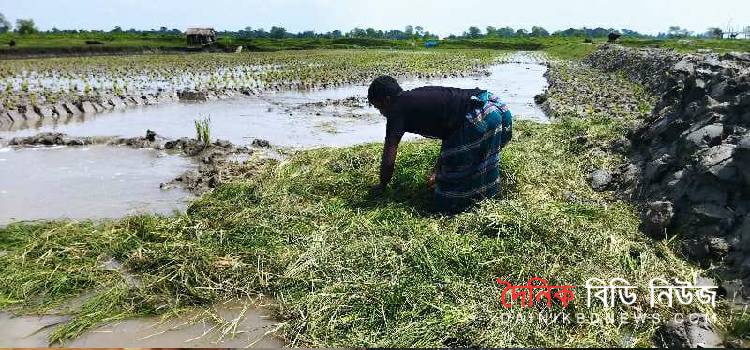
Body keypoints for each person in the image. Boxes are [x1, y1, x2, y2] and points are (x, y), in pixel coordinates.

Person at [367, 75, 513, 214]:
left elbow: (388, 158)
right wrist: (437, 171)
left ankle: (472, 201)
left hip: (479, 117)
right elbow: (450, 133)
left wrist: (382, 185)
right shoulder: (417, 97)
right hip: (496, 107)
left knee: (448, 196)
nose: (381, 112)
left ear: (387, 100)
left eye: (378, 107)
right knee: (481, 160)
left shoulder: (396, 110)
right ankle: (490, 195)